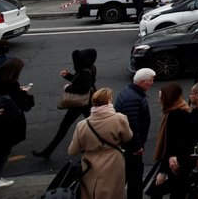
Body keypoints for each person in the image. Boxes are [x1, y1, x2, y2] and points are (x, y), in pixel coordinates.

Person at [67, 88, 133, 199]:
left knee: (91, 191)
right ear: (108, 101)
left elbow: (72, 151)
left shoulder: (82, 125)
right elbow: (127, 138)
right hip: (114, 161)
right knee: (114, 191)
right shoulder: (119, 118)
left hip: (90, 163)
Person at [33, 47, 98, 159]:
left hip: (80, 103)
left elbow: (84, 88)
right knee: (93, 125)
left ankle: (48, 151)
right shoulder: (91, 68)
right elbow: (81, 82)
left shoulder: (84, 72)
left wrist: (68, 88)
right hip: (87, 102)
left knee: (64, 127)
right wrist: (68, 76)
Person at [115, 68, 155, 199]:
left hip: (128, 147)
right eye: (151, 80)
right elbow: (131, 126)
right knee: (135, 178)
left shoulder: (130, 93)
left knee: (129, 176)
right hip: (131, 149)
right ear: (143, 82)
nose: (152, 83)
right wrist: (137, 147)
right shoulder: (133, 99)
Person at [0, 58, 34, 190]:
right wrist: (24, 92)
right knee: (2, 152)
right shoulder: (12, 84)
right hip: (8, 123)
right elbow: (23, 105)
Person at [151, 83, 191, 199]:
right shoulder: (182, 109)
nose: (158, 100)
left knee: (171, 191)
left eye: (161, 97)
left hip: (174, 164)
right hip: (179, 161)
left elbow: (171, 144)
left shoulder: (174, 115)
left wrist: (162, 171)